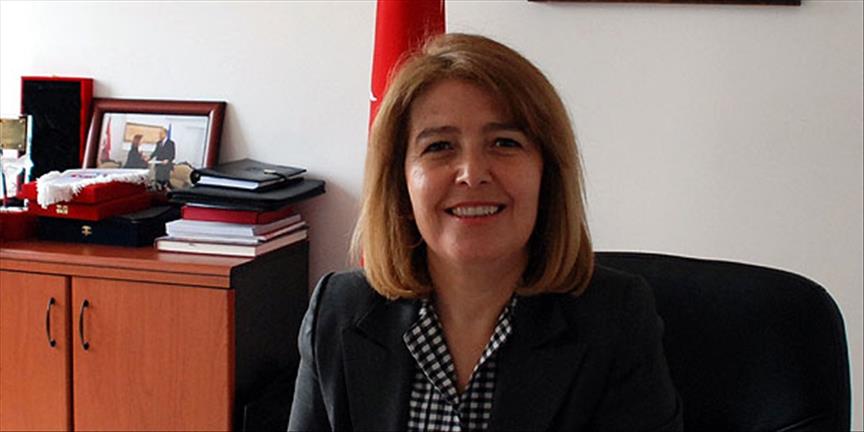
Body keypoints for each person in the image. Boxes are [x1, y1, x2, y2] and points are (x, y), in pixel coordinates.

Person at [288, 33, 682, 431]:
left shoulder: (615, 320)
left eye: (504, 143)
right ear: (400, 181)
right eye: (439, 146)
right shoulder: (338, 312)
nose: (472, 174)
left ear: (546, 172)